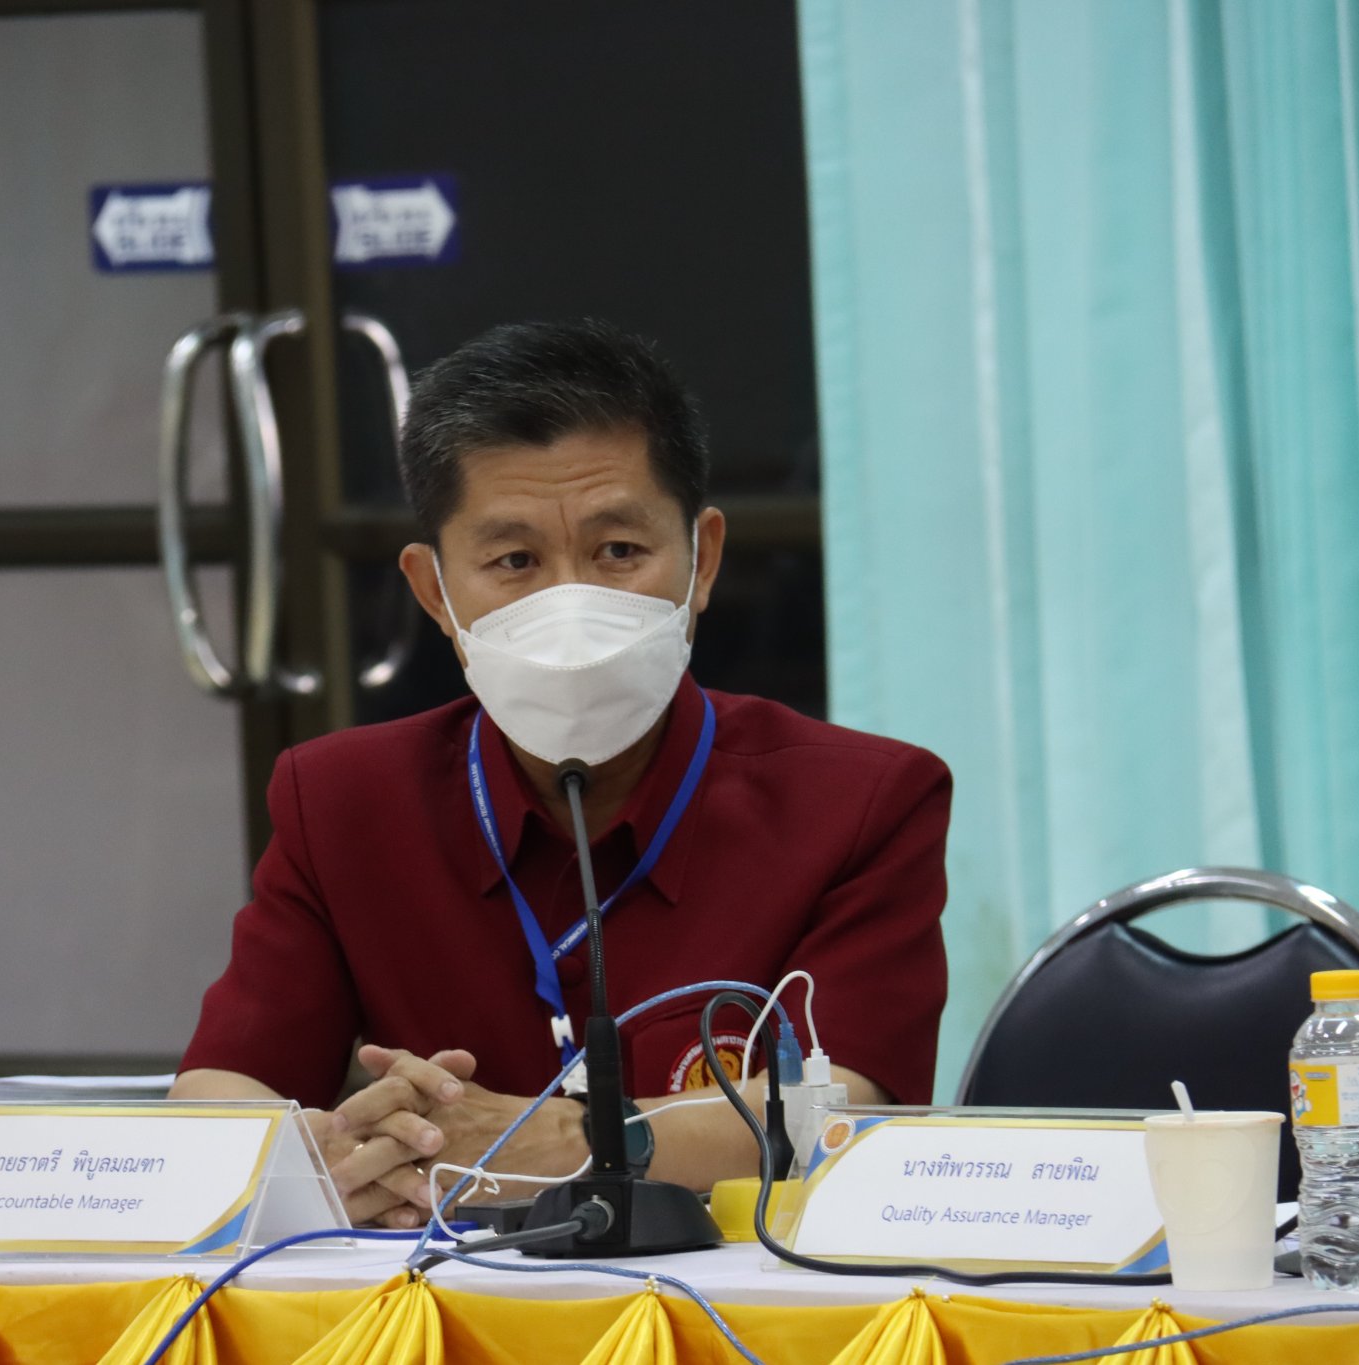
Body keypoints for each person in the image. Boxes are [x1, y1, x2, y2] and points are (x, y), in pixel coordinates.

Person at [172, 319, 950, 1229]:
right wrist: (328, 1154)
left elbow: (847, 1112)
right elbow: (219, 1092)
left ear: (702, 561)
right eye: (514, 561)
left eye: (619, 551)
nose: (569, 605)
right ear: (433, 592)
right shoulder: (343, 800)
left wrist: (560, 1142)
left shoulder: (862, 802)